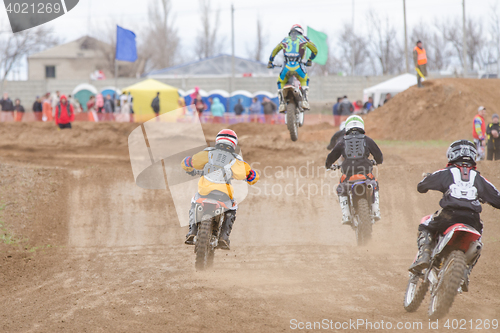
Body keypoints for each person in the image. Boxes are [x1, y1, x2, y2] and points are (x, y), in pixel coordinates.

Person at [408, 140, 500, 289]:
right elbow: (498, 199)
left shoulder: (446, 172)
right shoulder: (480, 179)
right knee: (478, 240)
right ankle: (466, 271)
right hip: (472, 220)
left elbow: (421, 186)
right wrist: (484, 197)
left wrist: (429, 181)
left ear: (452, 154)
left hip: (449, 216)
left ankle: (424, 255)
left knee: (425, 224)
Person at [182, 129, 260, 249]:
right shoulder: (236, 160)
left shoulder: (208, 153)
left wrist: (187, 165)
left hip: (204, 192)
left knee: (194, 201)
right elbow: (250, 176)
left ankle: (192, 231)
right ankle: (224, 237)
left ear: (218, 141)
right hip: (223, 195)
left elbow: (190, 163)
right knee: (233, 207)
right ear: (234, 144)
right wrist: (251, 177)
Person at [325, 115, 384, 224]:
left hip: (348, 173)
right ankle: (376, 211)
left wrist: (328, 165)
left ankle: (346, 214)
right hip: (365, 171)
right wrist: (378, 161)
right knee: (374, 184)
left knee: (341, 188)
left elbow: (331, 156)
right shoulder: (367, 140)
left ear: (347, 127)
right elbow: (379, 155)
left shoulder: (342, 141)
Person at [268, 24, 318, 112]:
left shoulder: (285, 40)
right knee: (304, 80)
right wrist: (310, 60)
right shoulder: (304, 39)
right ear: (301, 32)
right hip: (298, 66)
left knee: (280, 81)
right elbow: (315, 50)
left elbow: (275, 50)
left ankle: (282, 103)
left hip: (286, 67)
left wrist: (270, 62)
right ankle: (305, 101)